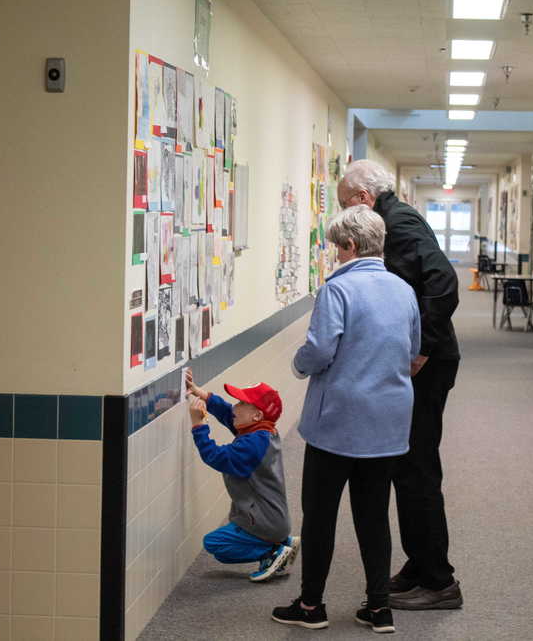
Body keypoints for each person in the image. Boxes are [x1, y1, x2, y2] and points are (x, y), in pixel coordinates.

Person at [271, 205, 420, 634]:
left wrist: (299, 365)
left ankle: (311, 605)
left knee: (320, 516)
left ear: (350, 246)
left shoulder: (337, 290)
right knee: (374, 516)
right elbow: (412, 351)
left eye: (337, 247)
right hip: (387, 423)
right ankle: (378, 608)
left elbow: (319, 351)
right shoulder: (402, 290)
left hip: (337, 422)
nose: (335, 255)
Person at [337, 160, 463, 611]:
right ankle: (419, 565)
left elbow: (444, 282)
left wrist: (422, 348)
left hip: (427, 367)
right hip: (420, 363)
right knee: (405, 468)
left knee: (417, 472)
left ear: (361, 200)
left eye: (344, 208)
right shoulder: (395, 219)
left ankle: (439, 581)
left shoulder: (400, 222)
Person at [185, 368, 299, 582]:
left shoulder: (252, 444)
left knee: (215, 544)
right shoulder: (260, 431)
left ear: (257, 415)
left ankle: (271, 552)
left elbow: (216, 457)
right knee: (221, 548)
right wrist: (202, 394)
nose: (235, 406)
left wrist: (198, 426)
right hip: (273, 518)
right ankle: (279, 543)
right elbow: (230, 414)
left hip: (264, 522)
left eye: (242, 404)